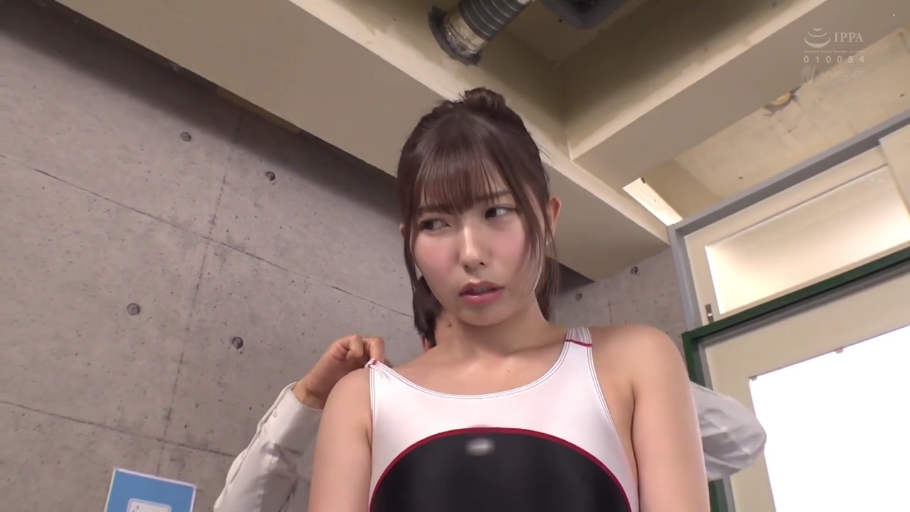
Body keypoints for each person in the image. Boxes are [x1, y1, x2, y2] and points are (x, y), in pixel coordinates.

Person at [307, 88, 711, 512]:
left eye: (497, 212)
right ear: (410, 240)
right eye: (436, 223)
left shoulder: (635, 361)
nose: (470, 253)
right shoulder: (362, 401)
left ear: (548, 218)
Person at [213, 277, 765, 512]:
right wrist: (313, 394)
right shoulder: (371, 421)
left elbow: (741, 439)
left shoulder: (604, 391)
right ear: (426, 345)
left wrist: (601, 376)